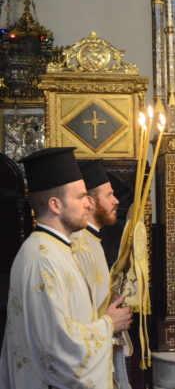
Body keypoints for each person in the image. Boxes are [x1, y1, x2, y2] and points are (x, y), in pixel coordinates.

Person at [0, 147, 132, 389]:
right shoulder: (42, 259)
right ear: (56, 205)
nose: (89, 204)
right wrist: (109, 324)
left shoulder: (57, 249)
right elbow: (58, 349)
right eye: (81, 197)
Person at [70, 159, 131, 389]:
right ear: (91, 202)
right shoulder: (79, 245)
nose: (117, 201)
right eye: (109, 195)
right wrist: (110, 321)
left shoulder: (92, 240)